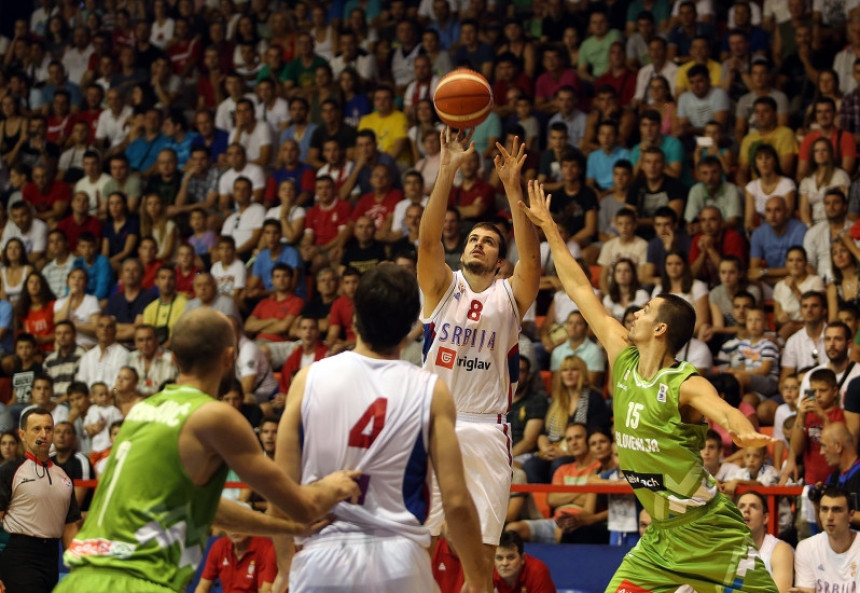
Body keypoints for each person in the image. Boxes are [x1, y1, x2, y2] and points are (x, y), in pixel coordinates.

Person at [519, 180, 777, 593]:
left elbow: (718, 408)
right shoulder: (623, 354)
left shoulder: (683, 382)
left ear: (660, 328)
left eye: (644, 309)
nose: (634, 313)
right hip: (659, 540)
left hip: (711, 536)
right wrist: (548, 226)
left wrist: (739, 427)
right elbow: (580, 288)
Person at [55, 308, 362, 593]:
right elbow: (304, 505)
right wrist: (334, 486)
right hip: (138, 580)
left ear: (174, 356)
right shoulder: (214, 416)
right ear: (230, 356)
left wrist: (284, 528)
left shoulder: (142, 410)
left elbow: (202, 506)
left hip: (79, 580)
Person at [275, 264, 490, 592]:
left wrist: (285, 571)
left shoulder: (307, 380)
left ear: (354, 317)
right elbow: (457, 502)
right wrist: (478, 581)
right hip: (399, 561)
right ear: (409, 329)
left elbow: (279, 490)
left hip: (321, 560)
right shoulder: (431, 391)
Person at [418, 130, 540, 566]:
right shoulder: (439, 287)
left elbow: (532, 260)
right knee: (421, 550)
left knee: (480, 558)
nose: (478, 243)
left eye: (488, 241)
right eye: (473, 238)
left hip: (488, 428)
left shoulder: (510, 295)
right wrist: (447, 167)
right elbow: (429, 241)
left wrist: (511, 187)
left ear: (498, 260)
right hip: (434, 424)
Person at [0, 407, 80, 593]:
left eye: (48, 429)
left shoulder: (64, 476)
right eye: (36, 429)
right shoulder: (9, 471)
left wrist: (77, 566)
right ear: (22, 434)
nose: (44, 434)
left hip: (51, 559)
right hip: (19, 557)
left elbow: (69, 527)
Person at [794, 486, 860, 593]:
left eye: (837, 510)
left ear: (851, 515)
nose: (829, 517)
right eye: (824, 509)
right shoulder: (806, 548)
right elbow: (806, 590)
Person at [735, 491, 795, 593]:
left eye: (753, 506)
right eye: (741, 506)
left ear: (765, 518)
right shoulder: (725, 546)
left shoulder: (780, 549)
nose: (746, 510)